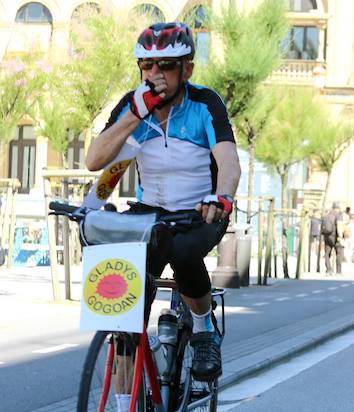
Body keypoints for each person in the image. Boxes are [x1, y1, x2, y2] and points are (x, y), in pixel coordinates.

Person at [85, 22, 240, 405]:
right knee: (122, 316)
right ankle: (124, 403)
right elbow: (97, 161)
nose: (155, 75)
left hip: (200, 209)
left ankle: (203, 328)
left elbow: (229, 163)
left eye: (166, 66)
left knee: (184, 252)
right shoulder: (132, 105)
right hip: (150, 209)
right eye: (147, 65)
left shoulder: (206, 103)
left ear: (187, 69)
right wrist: (133, 117)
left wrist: (221, 198)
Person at [322, 203, 345, 275]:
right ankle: (338, 271)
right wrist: (340, 237)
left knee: (327, 253)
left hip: (327, 235)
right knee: (339, 253)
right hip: (335, 236)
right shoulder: (338, 214)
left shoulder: (327, 214)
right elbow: (339, 225)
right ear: (338, 208)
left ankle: (329, 269)